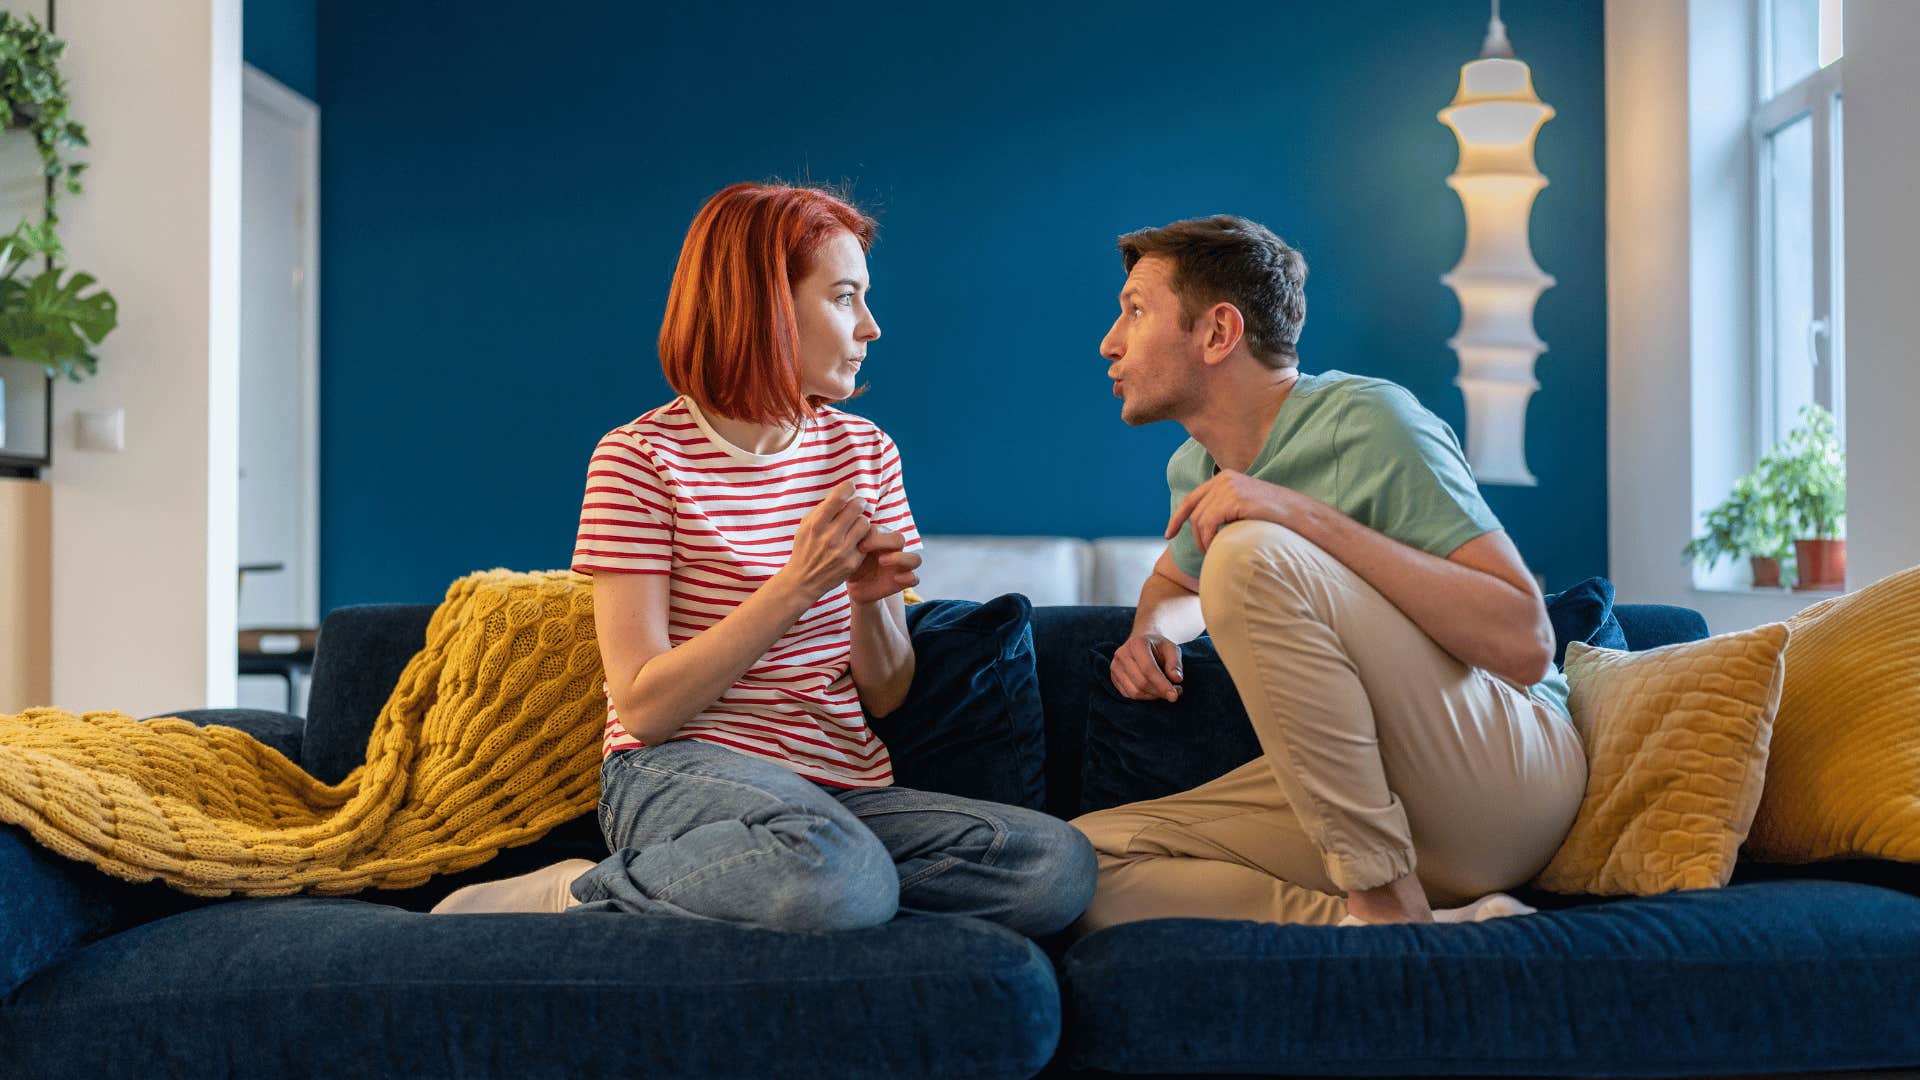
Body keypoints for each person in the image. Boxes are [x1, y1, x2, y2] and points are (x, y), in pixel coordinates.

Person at [433, 181, 1095, 934]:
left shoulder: (865, 451)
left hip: (841, 785)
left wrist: (868, 597)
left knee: (1054, 863)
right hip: (676, 769)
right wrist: (796, 584)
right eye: (845, 297)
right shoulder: (639, 459)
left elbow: (885, 694)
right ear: (765, 307)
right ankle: (580, 893)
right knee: (840, 869)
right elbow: (646, 708)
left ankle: (788, 878)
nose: (871, 327)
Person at [1070, 214, 1585, 930]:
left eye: (1134, 311)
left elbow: (1526, 644)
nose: (1110, 341)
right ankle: (1391, 922)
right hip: (1384, 803)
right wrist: (1154, 630)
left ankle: (1377, 886)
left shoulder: (1371, 421)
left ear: (1218, 333)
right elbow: (1178, 583)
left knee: (1249, 551)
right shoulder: (1194, 466)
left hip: (1507, 780)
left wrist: (1291, 513)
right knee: (1073, 868)